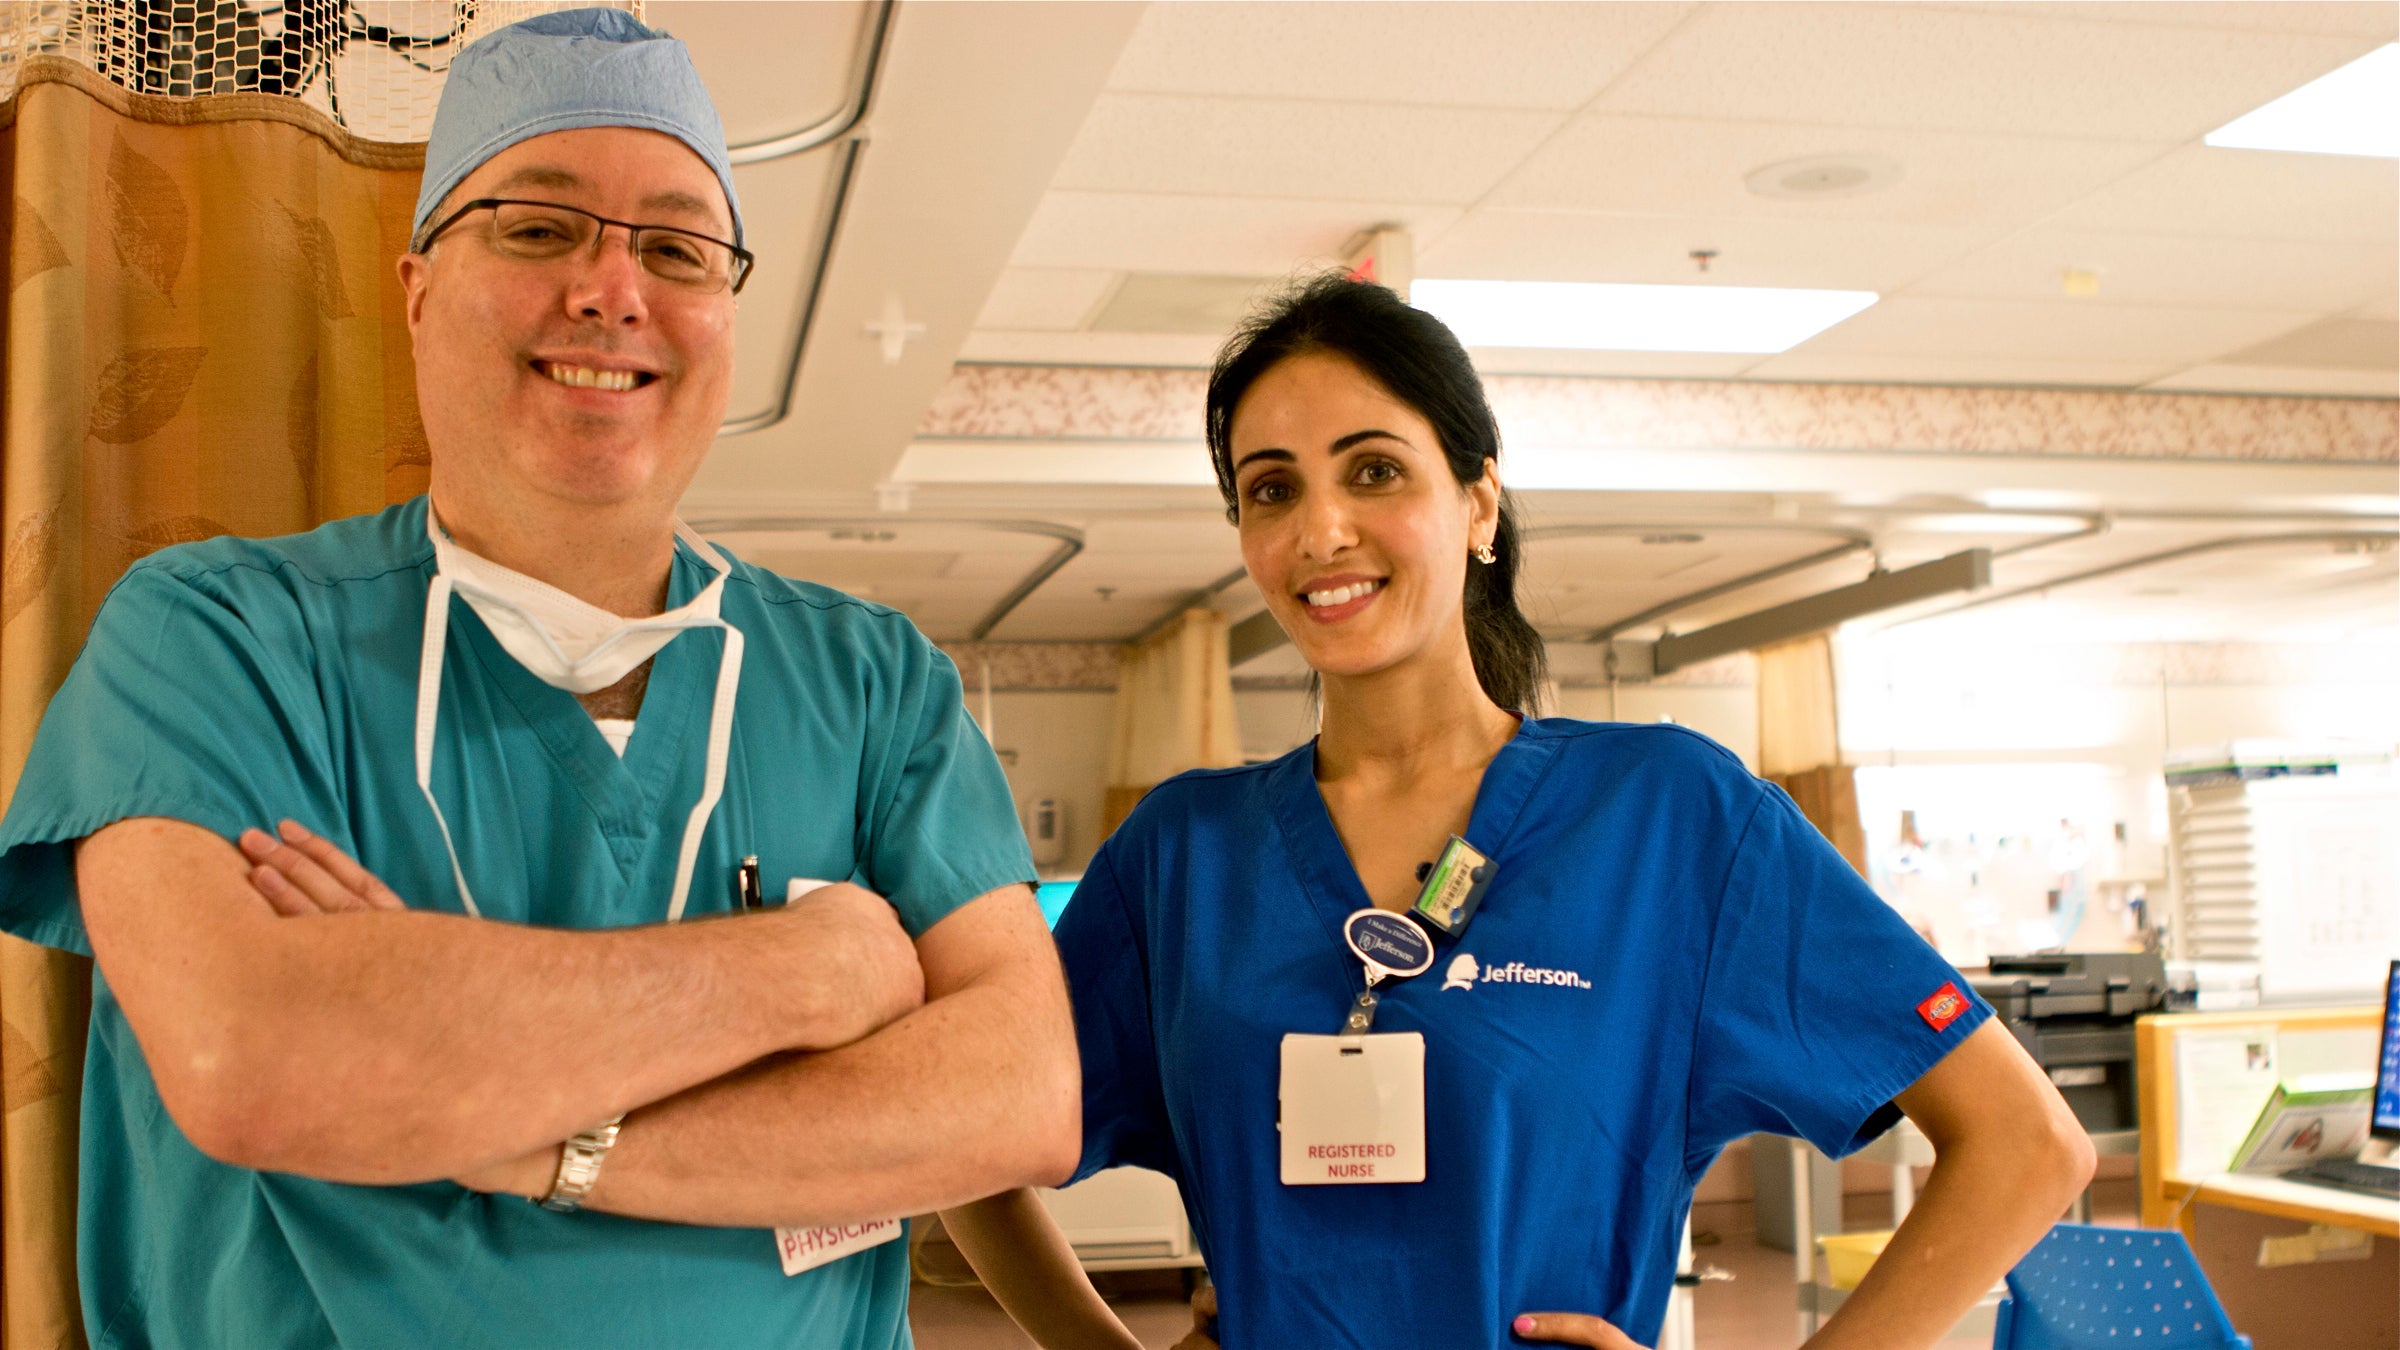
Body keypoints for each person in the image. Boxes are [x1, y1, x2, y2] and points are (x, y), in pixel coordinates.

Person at [0, 10, 1076, 1348]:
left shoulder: (875, 687)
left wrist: (507, 1126)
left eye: (677, 248)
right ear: (416, 288)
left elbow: (1016, 1099)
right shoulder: (214, 640)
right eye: (537, 226)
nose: (611, 288)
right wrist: (812, 968)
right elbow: (248, 1057)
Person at [940, 276, 2094, 1350]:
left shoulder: (1670, 820)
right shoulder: (1183, 858)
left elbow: (2027, 1145)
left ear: (1477, 503)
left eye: (1375, 470)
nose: (1321, 529)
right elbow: (961, 1139)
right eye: (1272, 487)